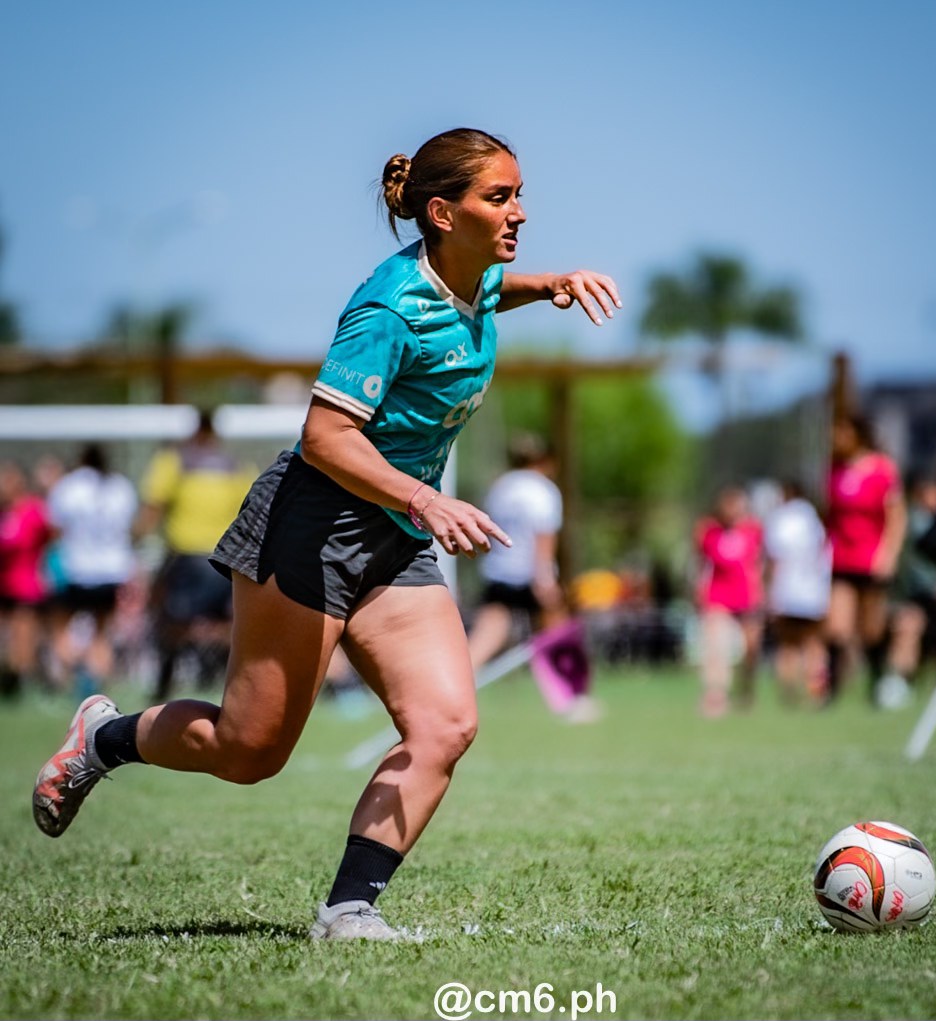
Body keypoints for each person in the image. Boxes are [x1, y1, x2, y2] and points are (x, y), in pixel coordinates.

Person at [32, 127, 621, 941]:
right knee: (248, 750)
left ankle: (349, 909)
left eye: (519, 194)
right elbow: (323, 437)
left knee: (445, 725)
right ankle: (102, 738)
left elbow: (487, 292)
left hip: (393, 536)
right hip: (312, 527)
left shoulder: (474, 275)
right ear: (442, 213)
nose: (519, 211)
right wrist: (424, 498)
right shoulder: (388, 306)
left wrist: (549, 284)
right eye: (499, 197)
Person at [137, 409, 256, 700]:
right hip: (224, 557)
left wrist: (135, 536)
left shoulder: (175, 461)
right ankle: (230, 680)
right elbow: (252, 508)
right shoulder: (234, 465)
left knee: (171, 624)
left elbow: (153, 506)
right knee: (227, 624)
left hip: (187, 555)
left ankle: (165, 684)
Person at [823, 413, 906, 704]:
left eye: (841, 432)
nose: (835, 439)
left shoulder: (883, 469)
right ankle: (831, 691)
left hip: (871, 558)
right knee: (836, 627)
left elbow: (896, 516)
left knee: (871, 629)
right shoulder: (834, 470)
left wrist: (889, 554)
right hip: (841, 558)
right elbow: (830, 515)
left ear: (857, 434)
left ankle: (877, 682)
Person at [46, 444, 138, 697]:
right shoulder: (120, 487)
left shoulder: (69, 486)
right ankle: (95, 686)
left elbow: (55, 528)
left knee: (60, 628)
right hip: (111, 570)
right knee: (101, 633)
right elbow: (129, 526)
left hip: (76, 568)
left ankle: (72, 678)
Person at [466, 432, 563, 667]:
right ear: (545, 460)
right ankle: (565, 687)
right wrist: (546, 579)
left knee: (486, 635)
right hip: (532, 573)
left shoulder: (500, 487)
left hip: (499, 571)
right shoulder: (543, 489)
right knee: (556, 635)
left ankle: (463, 677)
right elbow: (543, 536)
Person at [876, 475, 936, 709]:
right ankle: (897, 682)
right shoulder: (914, 522)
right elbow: (911, 566)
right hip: (911, 597)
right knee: (909, 628)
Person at [693, 485, 764, 716]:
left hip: (747, 596)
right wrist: (698, 591)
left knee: (751, 648)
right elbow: (700, 563)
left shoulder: (753, 529)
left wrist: (763, 591)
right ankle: (716, 695)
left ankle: (746, 689)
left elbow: (761, 562)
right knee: (717, 647)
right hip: (717, 596)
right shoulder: (708, 531)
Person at [762, 480, 831, 706]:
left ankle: (789, 694)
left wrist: (769, 590)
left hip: (787, 590)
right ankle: (816, 691)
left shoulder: (782, 519)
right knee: (814, 643)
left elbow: (775, 557)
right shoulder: (816, 521)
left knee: (787, 644)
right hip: (815, 591)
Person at [0, 461, 51, 699]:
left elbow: (49, 537)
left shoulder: (33, 510)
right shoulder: (5, 512)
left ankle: (20, 683)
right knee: (10, 638)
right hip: (4, 583)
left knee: (24, 636)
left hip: (26, 585)